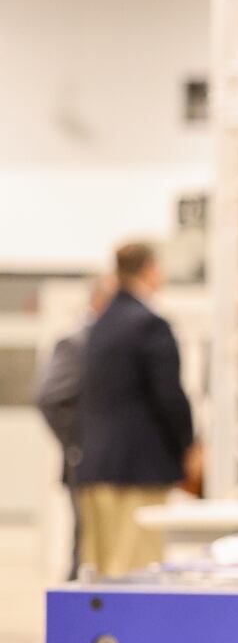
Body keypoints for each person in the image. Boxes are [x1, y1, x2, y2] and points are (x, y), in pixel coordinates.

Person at [76, 243, 194, 579]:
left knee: (102, 577)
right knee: (135, 577)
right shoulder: (150, 325)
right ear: (151, 269)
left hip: (96, 467)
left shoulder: (99, 324)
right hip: (138, 473)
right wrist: (186, 443)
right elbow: (169, 396)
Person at [33, 276, 117, 579]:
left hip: (109, 464)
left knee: (104, 551)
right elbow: (50, 397)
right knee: (86, 550)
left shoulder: (107, 341)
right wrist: (79, 444)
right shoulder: (78, 341)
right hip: (88, 462)